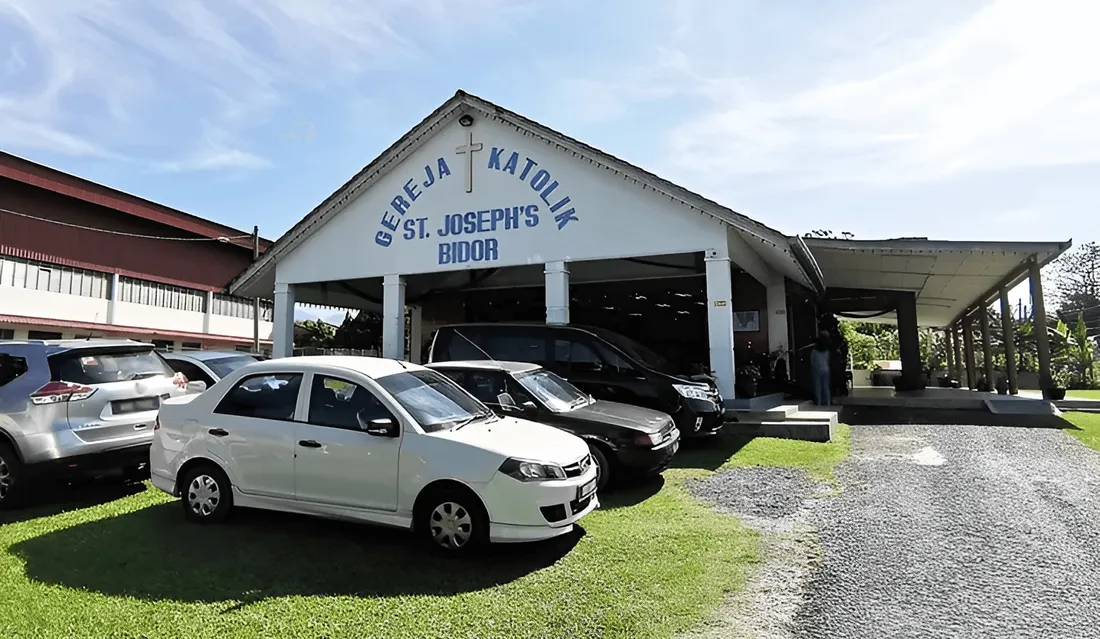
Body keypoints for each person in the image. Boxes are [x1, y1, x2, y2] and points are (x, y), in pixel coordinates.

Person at [810, 330, 832, 406]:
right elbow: (828, 361)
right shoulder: (827, 351)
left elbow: (812, 362)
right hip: (826, 369)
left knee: (817, 387)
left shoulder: (814, 351)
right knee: (826, 386)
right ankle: (828, 402)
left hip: (816, 369)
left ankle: (818, 402)